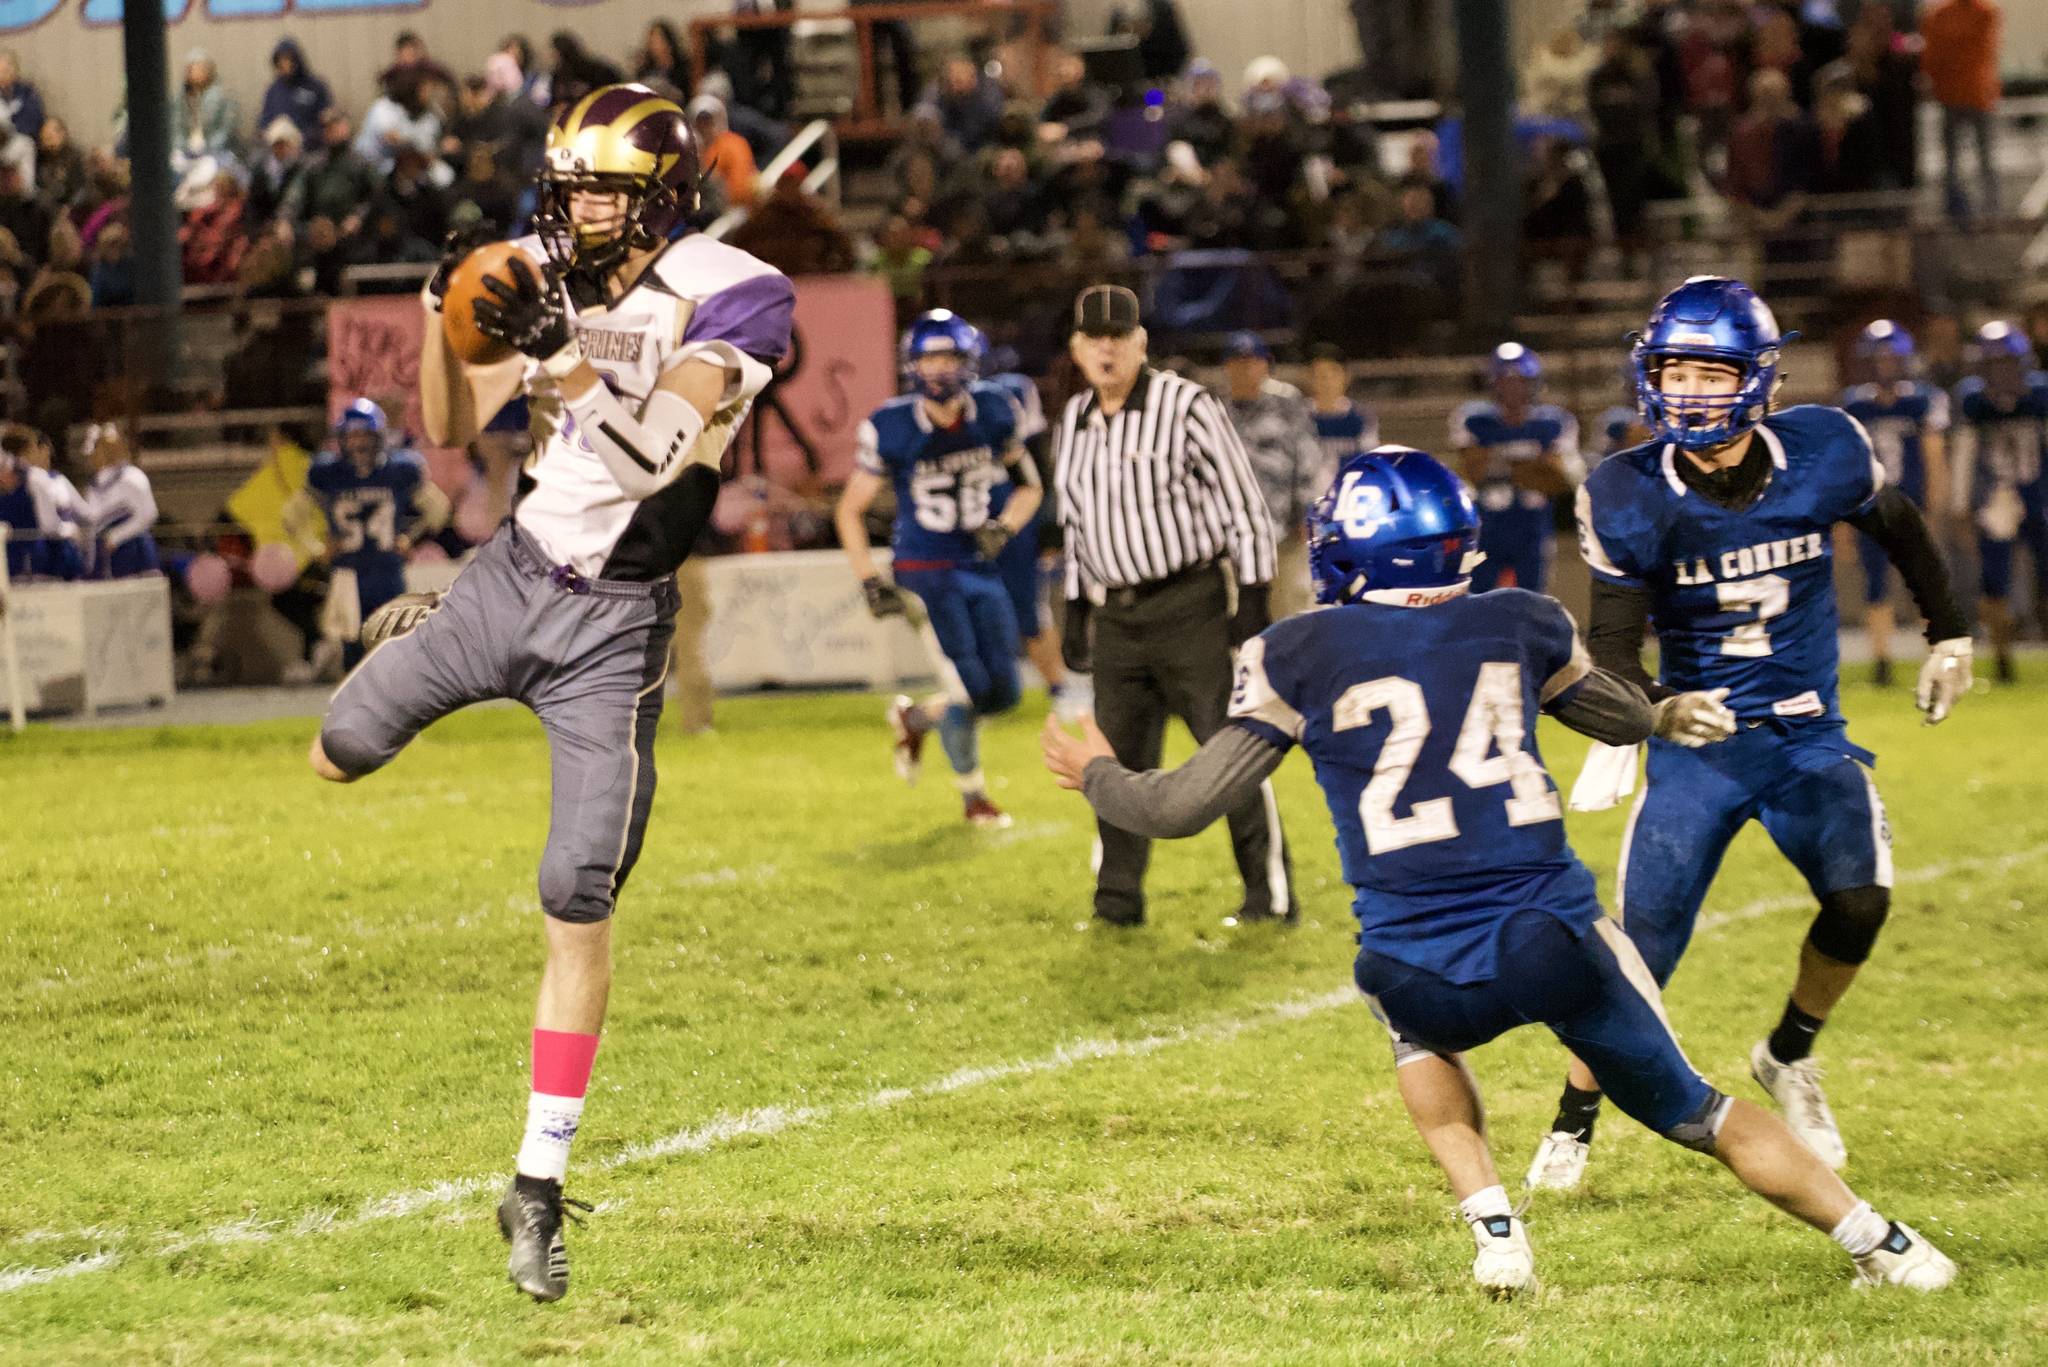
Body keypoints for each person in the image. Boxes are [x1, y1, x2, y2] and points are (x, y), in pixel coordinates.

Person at [1041, 445, 1959, 1296]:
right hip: (1550, 936)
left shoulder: (1294, 652)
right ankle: (1887, 1245)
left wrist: (1093, 770)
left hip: (1418, 967)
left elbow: (1176, 807)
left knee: (1405, 1019)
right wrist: (1665, 711)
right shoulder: (1523, 621)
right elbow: (1618, 715)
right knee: (1698, 1109)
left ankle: (1495, 1231)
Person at [310, 85, 793, 1303]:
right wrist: (441, 315)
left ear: (662, 197)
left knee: (575, 894)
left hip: (614, 624)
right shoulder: (538, 269)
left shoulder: (731, 290)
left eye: (600, 192)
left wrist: (560, 355)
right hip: (508, 574)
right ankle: (431, 626)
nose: (571, 212)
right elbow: (442, 419)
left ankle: (534, 1181)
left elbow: (648, 460)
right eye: (566, 187)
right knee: (334, 749)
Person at [1538, 276, 1973, 1193]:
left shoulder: (1823, 448)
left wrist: (1952, 631)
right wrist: (1651, 713)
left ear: (1761, 379)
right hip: (1697, 747)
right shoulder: (1625, 490)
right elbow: (1616, 649)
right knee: (1641, 951)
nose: (1690, 390)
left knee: (1861, 900)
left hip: (1809, 734)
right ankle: (1573, 1119)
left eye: (1711, 370)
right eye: (1674, 370)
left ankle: (1788, 1054)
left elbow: (1900, 526)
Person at [1051, 285, 1292, 927]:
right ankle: (1117, 900)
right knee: (1114, 761)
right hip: (1117, 619)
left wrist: (1253, 599)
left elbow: (1246, 506)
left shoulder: (1185, 405)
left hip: (1191, 606)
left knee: (1232, 752)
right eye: (1094, 338)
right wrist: (1076, 608)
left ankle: (1269, 895)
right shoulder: (1073, 419)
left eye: (1118, 337)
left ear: (1141, 343)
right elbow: (1078, 525)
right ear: (1076, 348)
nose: (1106, 349)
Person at [834, 309, 1040, 827]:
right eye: (930, 359)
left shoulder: (994, 409)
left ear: (970, 361)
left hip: (979, 563)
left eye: (949, 357)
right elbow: (849, 509)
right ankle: (974, 798)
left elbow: (1031, 486)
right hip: (923, 567)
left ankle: (917, 716)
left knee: (1005, 693)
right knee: (969, 687)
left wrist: (1005, 527)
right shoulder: (892, 424)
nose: (940, 369)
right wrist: (868, 578)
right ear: (913, 365)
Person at [1842, 321, 1951, 686]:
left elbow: (1933, 456)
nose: (1885, 365)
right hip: (1870, 508)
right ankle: (1881, 661)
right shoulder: (1854, 404)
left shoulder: (1922, 400)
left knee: (1923, 583)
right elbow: (1846, 465)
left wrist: (1934, 506)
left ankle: (1937, 658)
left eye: (1891, 358)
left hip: (1910, 505)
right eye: (1878, 359)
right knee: (1875, 584)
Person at [298, 400, 446, 667]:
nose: (359, 443)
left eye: (365, 435)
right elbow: (292, 516)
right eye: (353, 435)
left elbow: (439, 509)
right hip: (347, 574)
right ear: (342, 438)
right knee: (354, 652)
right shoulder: (327, 472)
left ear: (379, 437)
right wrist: (318, 548)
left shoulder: (400, 469)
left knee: (395, 645)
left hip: (387, 570)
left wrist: (410, 539)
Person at [978, 340, 1077, 717]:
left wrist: (1049, 525)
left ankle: (1059, 686)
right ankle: (988, 689)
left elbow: (1036, 459)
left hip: (1014, 516)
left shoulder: (1011, 390)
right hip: (973, 515)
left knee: (1028, 607)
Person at [1949, 321, 2048, 684]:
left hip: (2037, 493)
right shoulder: (1973, 400)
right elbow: (1964, 452)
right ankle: (2003, 659)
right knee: (1995, 581)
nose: (2003, 372)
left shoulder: (2039, 394)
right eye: (1995, 364)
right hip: (1997, 499)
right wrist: (1960, 506)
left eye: (2008, 363)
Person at [1449, 344, 1581, 594]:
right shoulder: (1473, 419)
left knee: (1532, 602)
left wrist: (1499, 459)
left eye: (1519, 381)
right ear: (1493, 383)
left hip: (1532, 527)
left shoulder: (1555, 421)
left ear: (1533, 383)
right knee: (1478, 602)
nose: (1512, 388)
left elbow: (1558, 480)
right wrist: (1530, 466)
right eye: (1505, 380)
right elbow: (1475, 472)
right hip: (1486, 527)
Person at [1218, 331, 1322, 620]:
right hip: (1232, 532)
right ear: (1226, 367)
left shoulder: (1287, 403)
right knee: (1232, 614)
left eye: (1252, 362)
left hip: (1282, 527)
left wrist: (1305, 511)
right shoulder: (1215, 409)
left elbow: (1307, 458)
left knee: (1288, 612)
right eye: (1238, 362)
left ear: (1265, 365)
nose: (1246, 369)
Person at [1920, 0, 2002, 220]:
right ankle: (1967, 208)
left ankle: (1987, 209)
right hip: (1963, 94)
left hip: (1968, 94)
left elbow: (1933, 56)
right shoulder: (1942, 14)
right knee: (1960, 159)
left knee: (1978, 157)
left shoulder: (1983, 12)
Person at [78, 422, 159, 578]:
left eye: (98, 450)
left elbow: (149, 514)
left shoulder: (131, 476)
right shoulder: (93, 485)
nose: (92, 458)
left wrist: (117, 536)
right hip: (104, 556)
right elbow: (93, 522)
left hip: (133, 551)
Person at [1307, 343, 1378, 474]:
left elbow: (1369, 463)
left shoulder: (1361, 418)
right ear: (1310, 378)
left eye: (1333, 375)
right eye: (1321, 376)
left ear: (1346, 377)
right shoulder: (1297, 416)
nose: (1327, 383)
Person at [259, 39, 332, 147]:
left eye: (288, 59)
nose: (284, 65)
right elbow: (264, 122)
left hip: (308, 146)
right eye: (280, 61)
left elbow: (326, 118)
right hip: (278, 147)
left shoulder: (315, 87)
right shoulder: (273, 90)